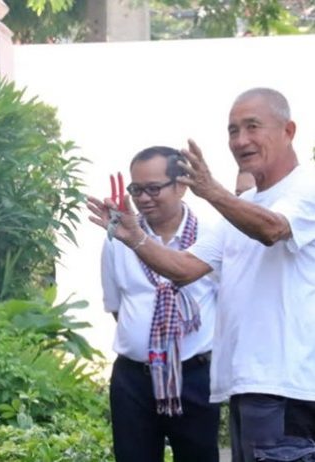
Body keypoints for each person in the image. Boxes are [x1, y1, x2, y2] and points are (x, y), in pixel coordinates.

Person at [87, 87, 315, 462]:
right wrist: (135, 237)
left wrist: (212, 192)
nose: (240, 140)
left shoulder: (306, 188)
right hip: (247, 386)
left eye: (252, 126)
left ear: (288, 130)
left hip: (288, 386)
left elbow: (273, 229)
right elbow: (185, 269)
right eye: (232, 130)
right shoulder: (245, 205)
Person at [102, 147, 220, 462]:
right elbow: (117, 306)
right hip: (133, 380)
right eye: (136, 190)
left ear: (181, 186)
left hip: (195, 376)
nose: (143, 198)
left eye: (153, 189)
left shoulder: (212, 235)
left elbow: (227, 305)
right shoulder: (118, 237)